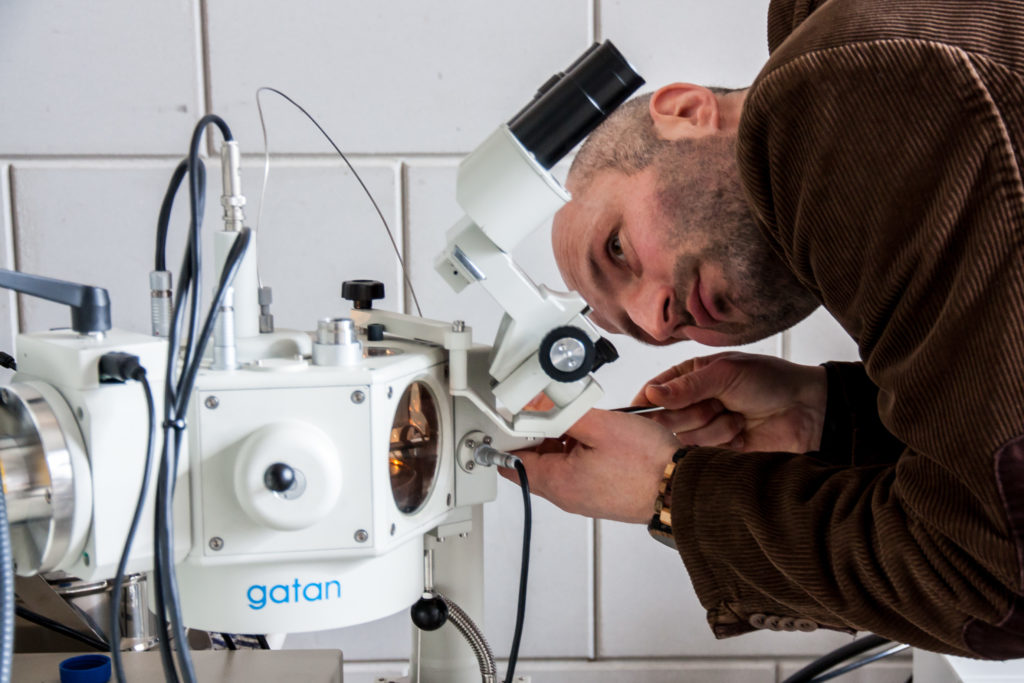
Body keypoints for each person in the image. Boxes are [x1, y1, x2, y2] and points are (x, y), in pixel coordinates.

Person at [504, 0, 1024, 659]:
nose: (654, 319)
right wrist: (832, 418)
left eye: (616, 249)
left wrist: (670, 491)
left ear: (687, 110)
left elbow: (997, 577)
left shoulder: (836, 96)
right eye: (642, 334)